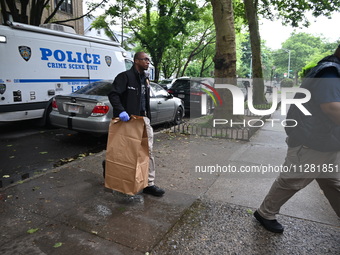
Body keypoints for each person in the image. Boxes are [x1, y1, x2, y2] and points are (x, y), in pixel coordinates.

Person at [254, 46, 340, 233]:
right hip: (312, 141)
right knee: (291, 181)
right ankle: (265, 213)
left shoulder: (330, 70)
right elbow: (332, 108)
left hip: (326, 141)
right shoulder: (330, 73)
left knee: (333, 183)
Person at [108, 52, 165, 197]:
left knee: (148, 151)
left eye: (149, 60)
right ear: (136, 61)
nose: (148, 62)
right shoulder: (124, 77)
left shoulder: (145, 79)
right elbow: (113, 95)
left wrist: (148, 118)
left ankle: (148, 184)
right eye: (145, 59)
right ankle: (113, 173)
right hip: (128, 121)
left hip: (143, 120)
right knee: (125, 152)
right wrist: (121, 111)